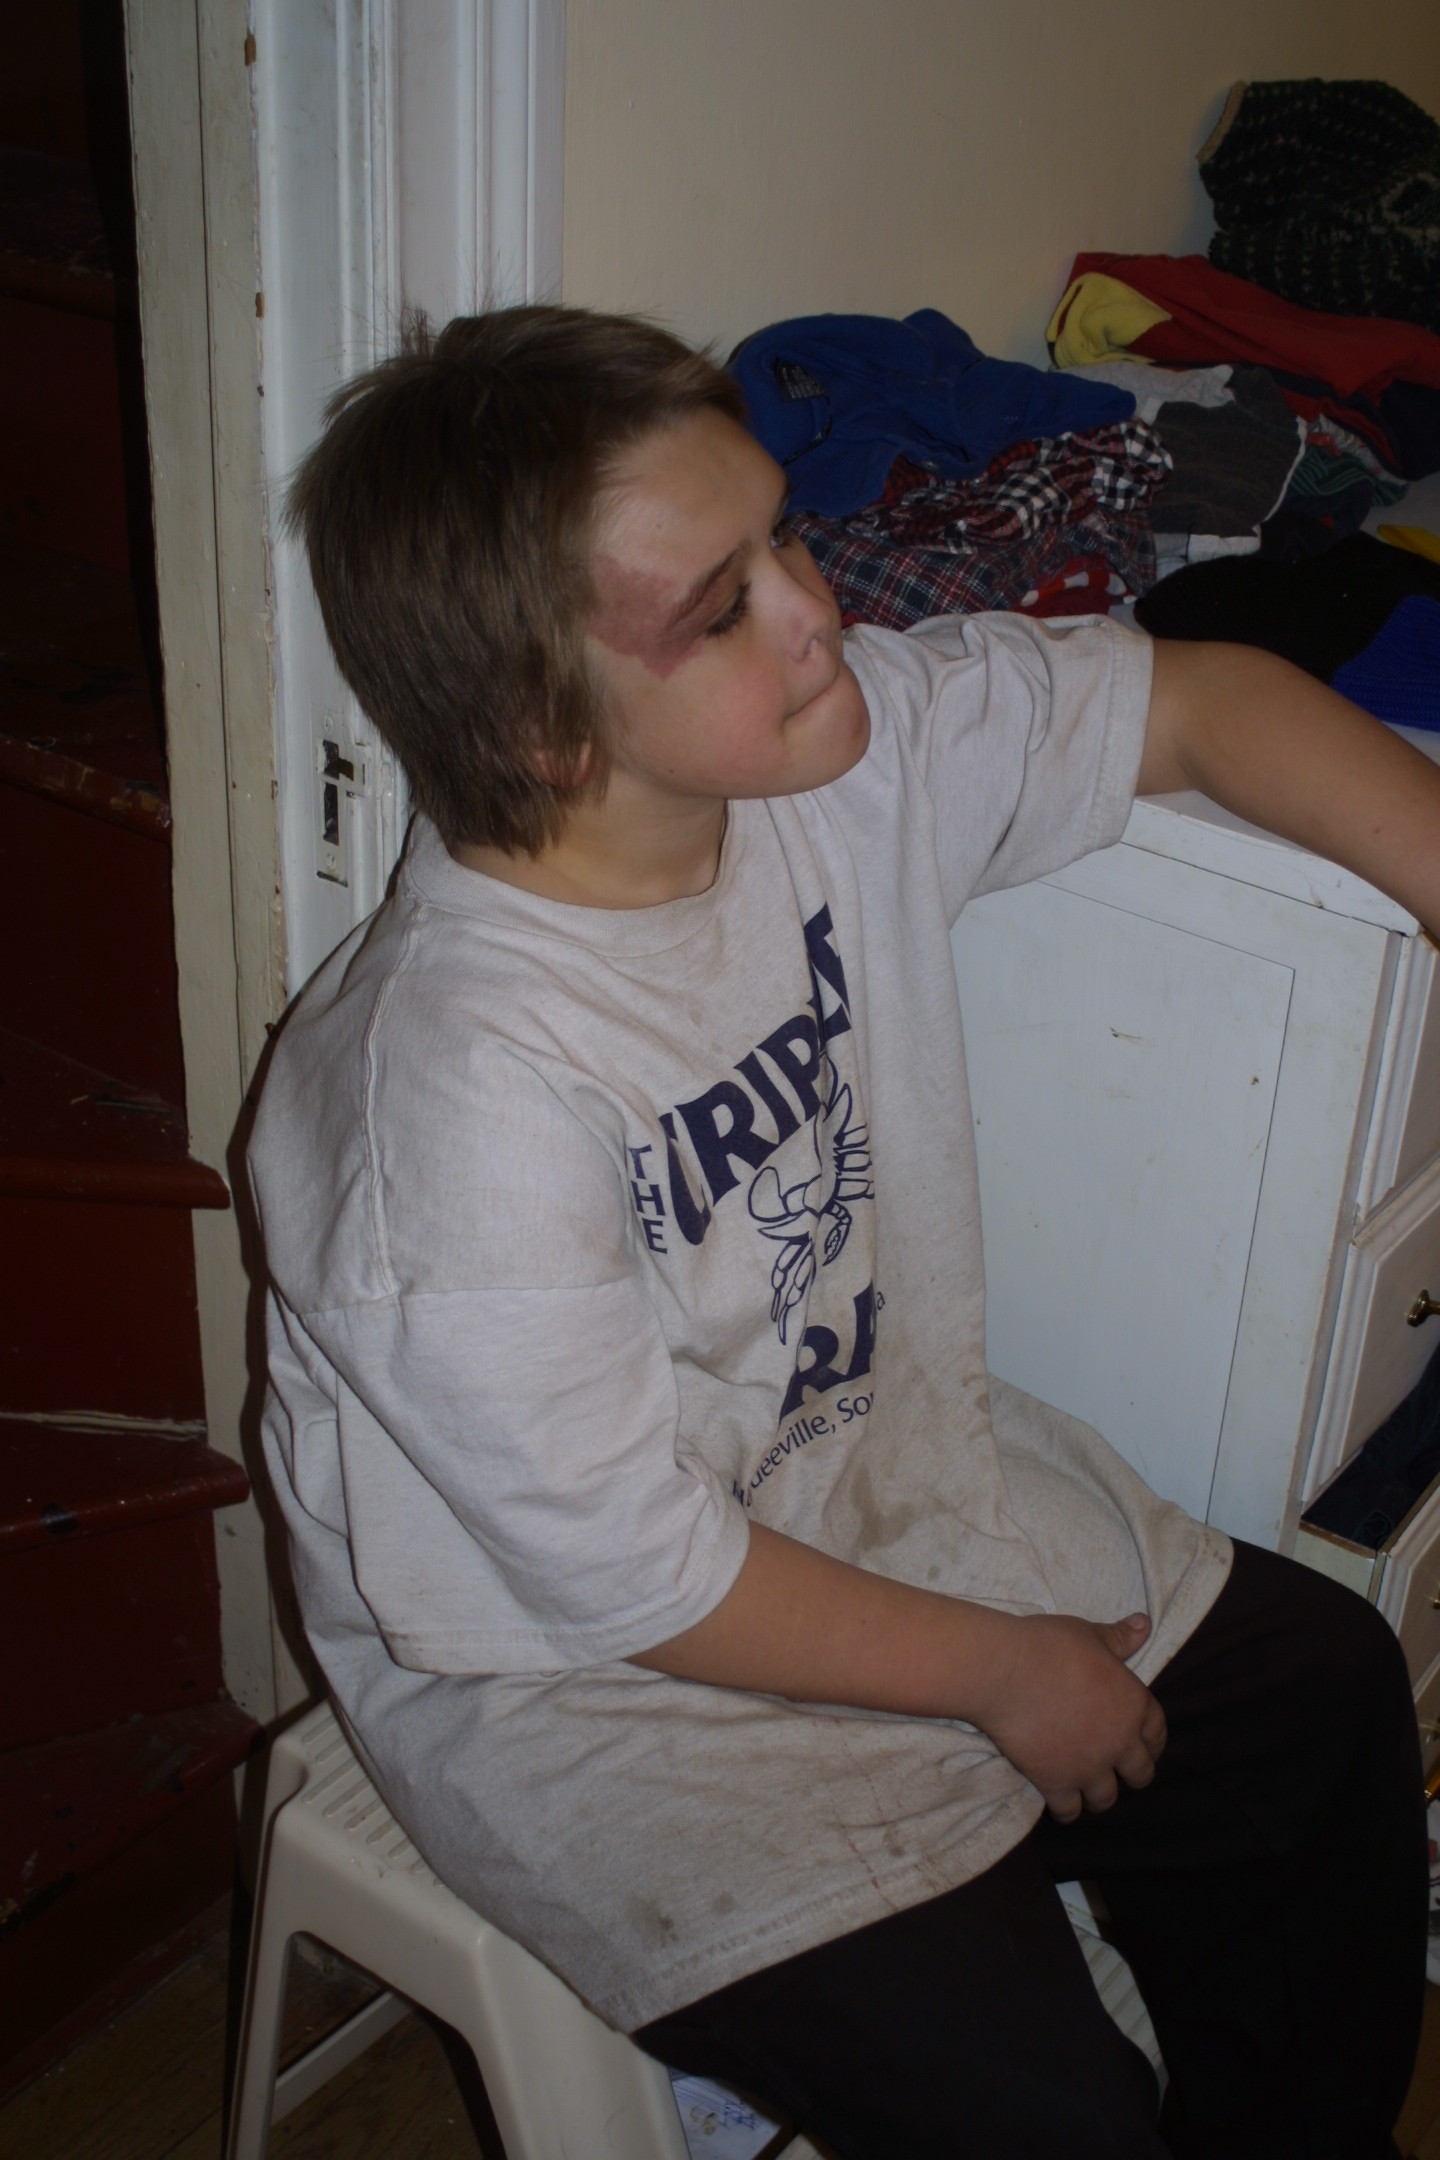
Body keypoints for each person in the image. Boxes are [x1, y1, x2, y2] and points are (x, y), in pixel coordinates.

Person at [249, 305, 1435, 2160]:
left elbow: (1196, 696)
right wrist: (1007, 1669)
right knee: (1053, 2119)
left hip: (859, 1479)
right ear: (546, 733)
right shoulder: (446, 1101)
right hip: (589, 1689)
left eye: (784, 534)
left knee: (1328, 1702)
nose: (817, 610)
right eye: (722, 607)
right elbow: (635, 1580)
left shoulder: (823, 766)